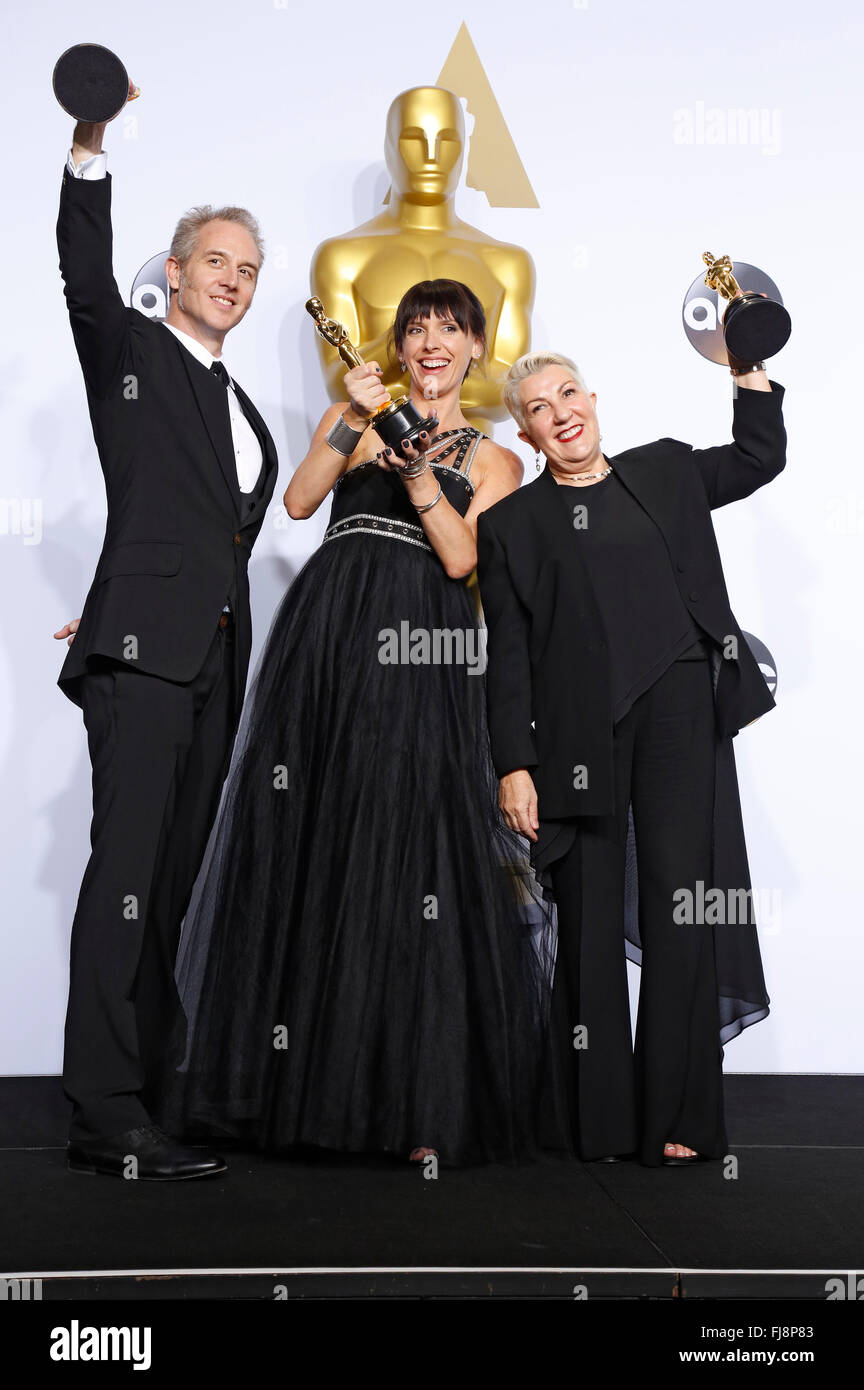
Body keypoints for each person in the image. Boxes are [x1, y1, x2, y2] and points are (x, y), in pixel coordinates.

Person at [139, 279, 554, 1166]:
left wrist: (416, 474)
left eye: (450, 329)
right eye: (417, 329)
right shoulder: (351, 414)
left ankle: (412, 1103)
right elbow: (296, 503)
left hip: (423, 653)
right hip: (326, 640)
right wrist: (352, 420)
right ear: (398, 346)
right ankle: (282, 1090)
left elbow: (462, 560)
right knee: (312, 843)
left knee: (409, 858)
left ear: (477, 346)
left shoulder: (494, 461)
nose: (432, 343)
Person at [476, 350, 786, 1168]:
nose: (562, 412)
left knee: (682, 907)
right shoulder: (512, 525)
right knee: (583, 921)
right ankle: (598, 1120)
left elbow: (760, 458)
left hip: (683, 710)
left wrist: (748, 368)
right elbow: (506, 657)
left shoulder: (667, 472)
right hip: (579, 736)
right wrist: (514, 763)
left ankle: (677, 1111)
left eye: (569, 393)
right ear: (527, 431)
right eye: (541, 407)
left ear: (592, 398)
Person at [54, 86, 279, 1180]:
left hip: (212, 667)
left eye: (249, 268)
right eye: (217, 261)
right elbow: (84, 280)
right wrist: (91, 147)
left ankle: (147, 1098)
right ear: (177, 268)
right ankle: (104, 1112)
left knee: (176, 888)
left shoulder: (243, 408)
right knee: (127, 876)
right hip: (141, 666)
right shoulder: (130, 353)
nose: (233, 278)